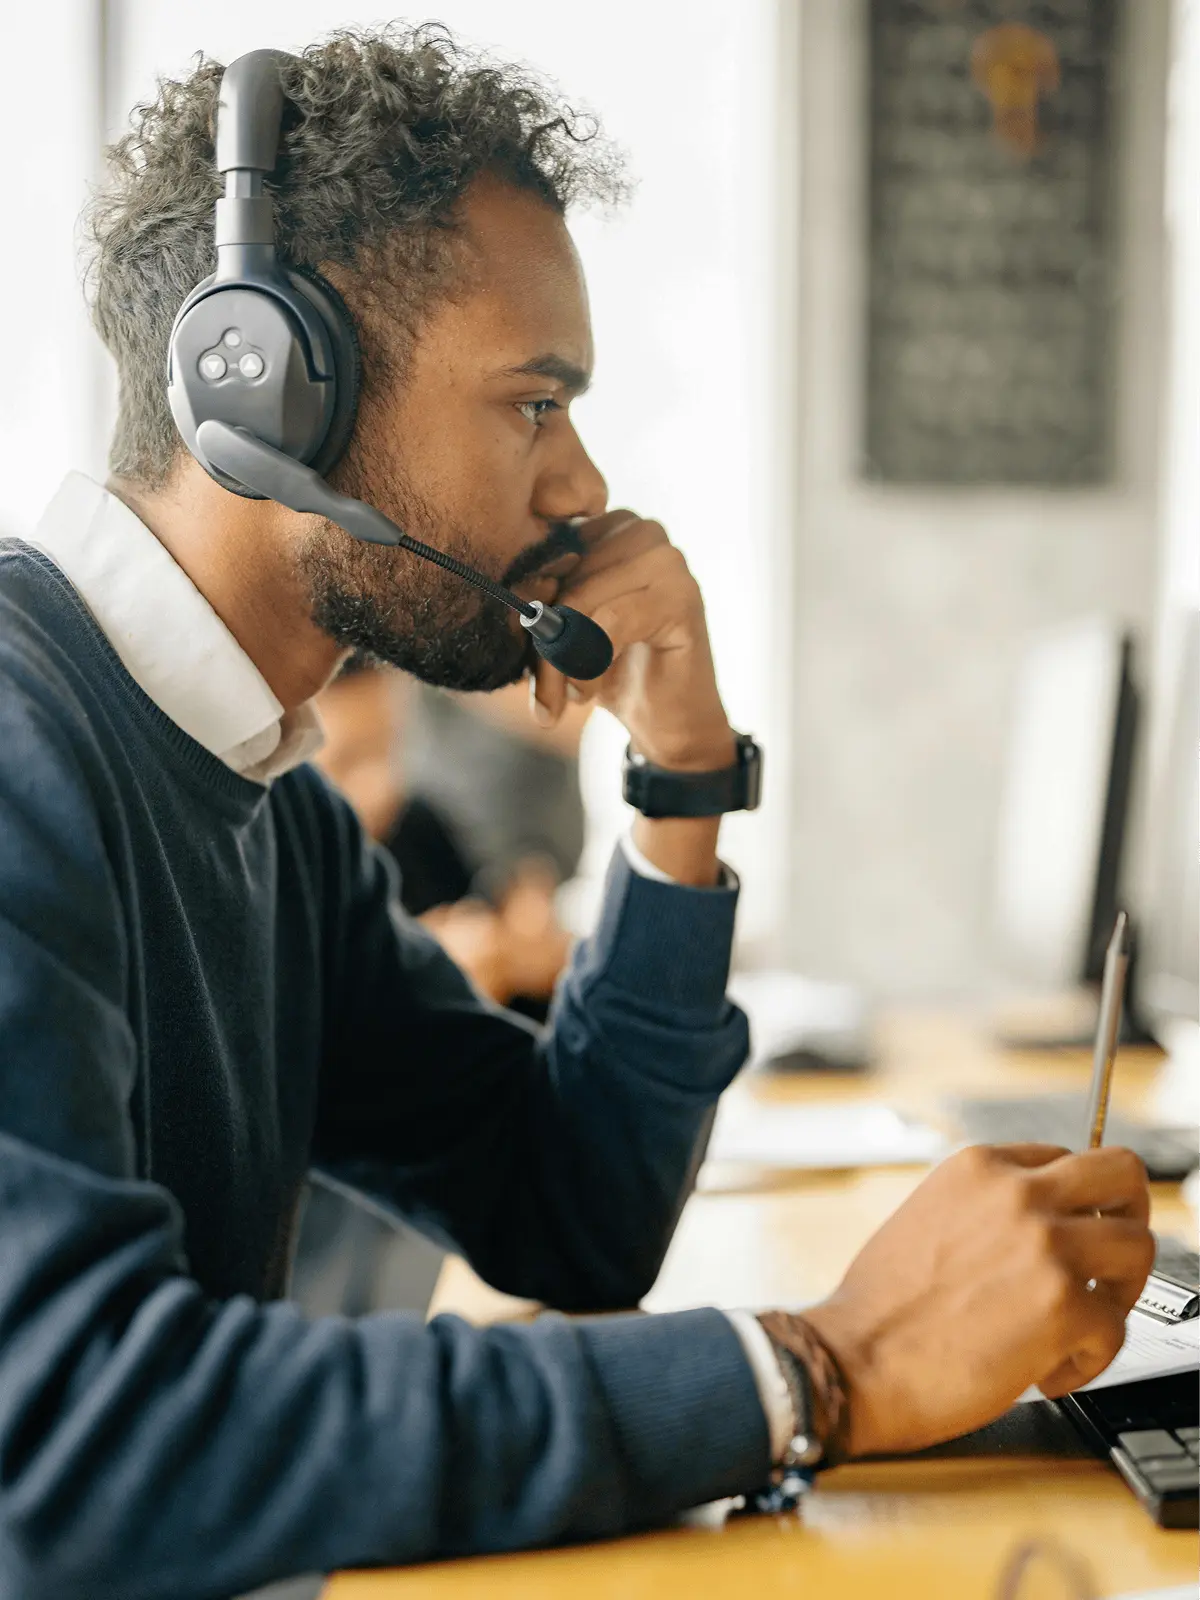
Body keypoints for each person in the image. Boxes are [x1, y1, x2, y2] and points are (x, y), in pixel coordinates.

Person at [0, 26, 1153, 1598]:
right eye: (533, 403)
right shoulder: (22, 750)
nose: (583, 483)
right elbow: (76, 1443)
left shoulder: (257, 795)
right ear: (264, 390)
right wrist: (824, 1369)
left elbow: (569, 1221)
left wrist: (679, 786)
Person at [314, 658, 585, 1011]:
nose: (377, 784)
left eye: (388, 748)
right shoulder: (284, 875)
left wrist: (519, 942)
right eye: (347, 761)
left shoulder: (414, 826)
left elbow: (484, 913)